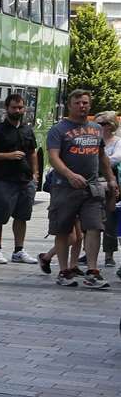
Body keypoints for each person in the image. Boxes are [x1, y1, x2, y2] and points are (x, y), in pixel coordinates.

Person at [46, 88, 117, 289]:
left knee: (95, 227)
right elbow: (53, 157)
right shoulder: (58, 130)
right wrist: (69, 174)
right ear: (70, 105)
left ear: (90, 105)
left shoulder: (96, 129)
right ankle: (64, 271)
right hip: (64, 188)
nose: (82, 106)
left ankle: (93, 271)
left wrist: (111, 179)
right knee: (63, 230)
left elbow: (101, 157)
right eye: (77, 103)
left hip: (92, 187)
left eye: (85, 103)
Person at [0, 93, 39, 265]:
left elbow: (32, 153)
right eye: (14, 107)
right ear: (6, 109)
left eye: (20, 107)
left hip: (25, 180)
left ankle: (19, 250)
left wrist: (35, 174)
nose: (18, 110)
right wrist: (8, 155)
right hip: (4, 180)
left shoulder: (27, 130)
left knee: (22, 216)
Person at [100, 112, 121, 267]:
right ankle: (88, 252)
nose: (97, 127)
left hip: (111, 183)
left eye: (101, 124)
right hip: (92, 181)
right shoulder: (91, 140)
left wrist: (97, 160)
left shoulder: (117, 142)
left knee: (110, 220)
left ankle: (109, 255)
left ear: (110, 125)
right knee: (90, 220)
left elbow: (115, 160)